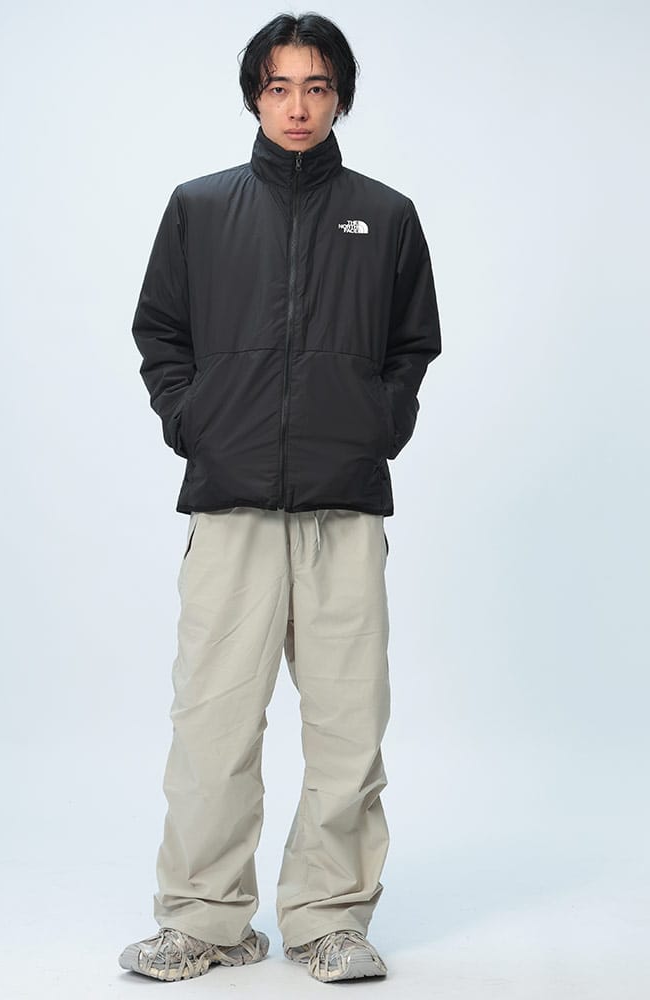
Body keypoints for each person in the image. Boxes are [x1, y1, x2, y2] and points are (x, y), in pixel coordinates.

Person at [118, 11, 442, 985]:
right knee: (212, 724)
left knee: (348, 725)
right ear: (255, 96)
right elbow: (161, 333)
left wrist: (376, 423)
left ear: (340, 96)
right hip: (232, 507)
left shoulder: (385, 215)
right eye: (278, 86)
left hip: (345, 505)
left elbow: (412, 345)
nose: (298, 106)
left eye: (316, 86)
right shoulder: (200, 208)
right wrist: (196, 421)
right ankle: (205, 920)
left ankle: (328, 918)